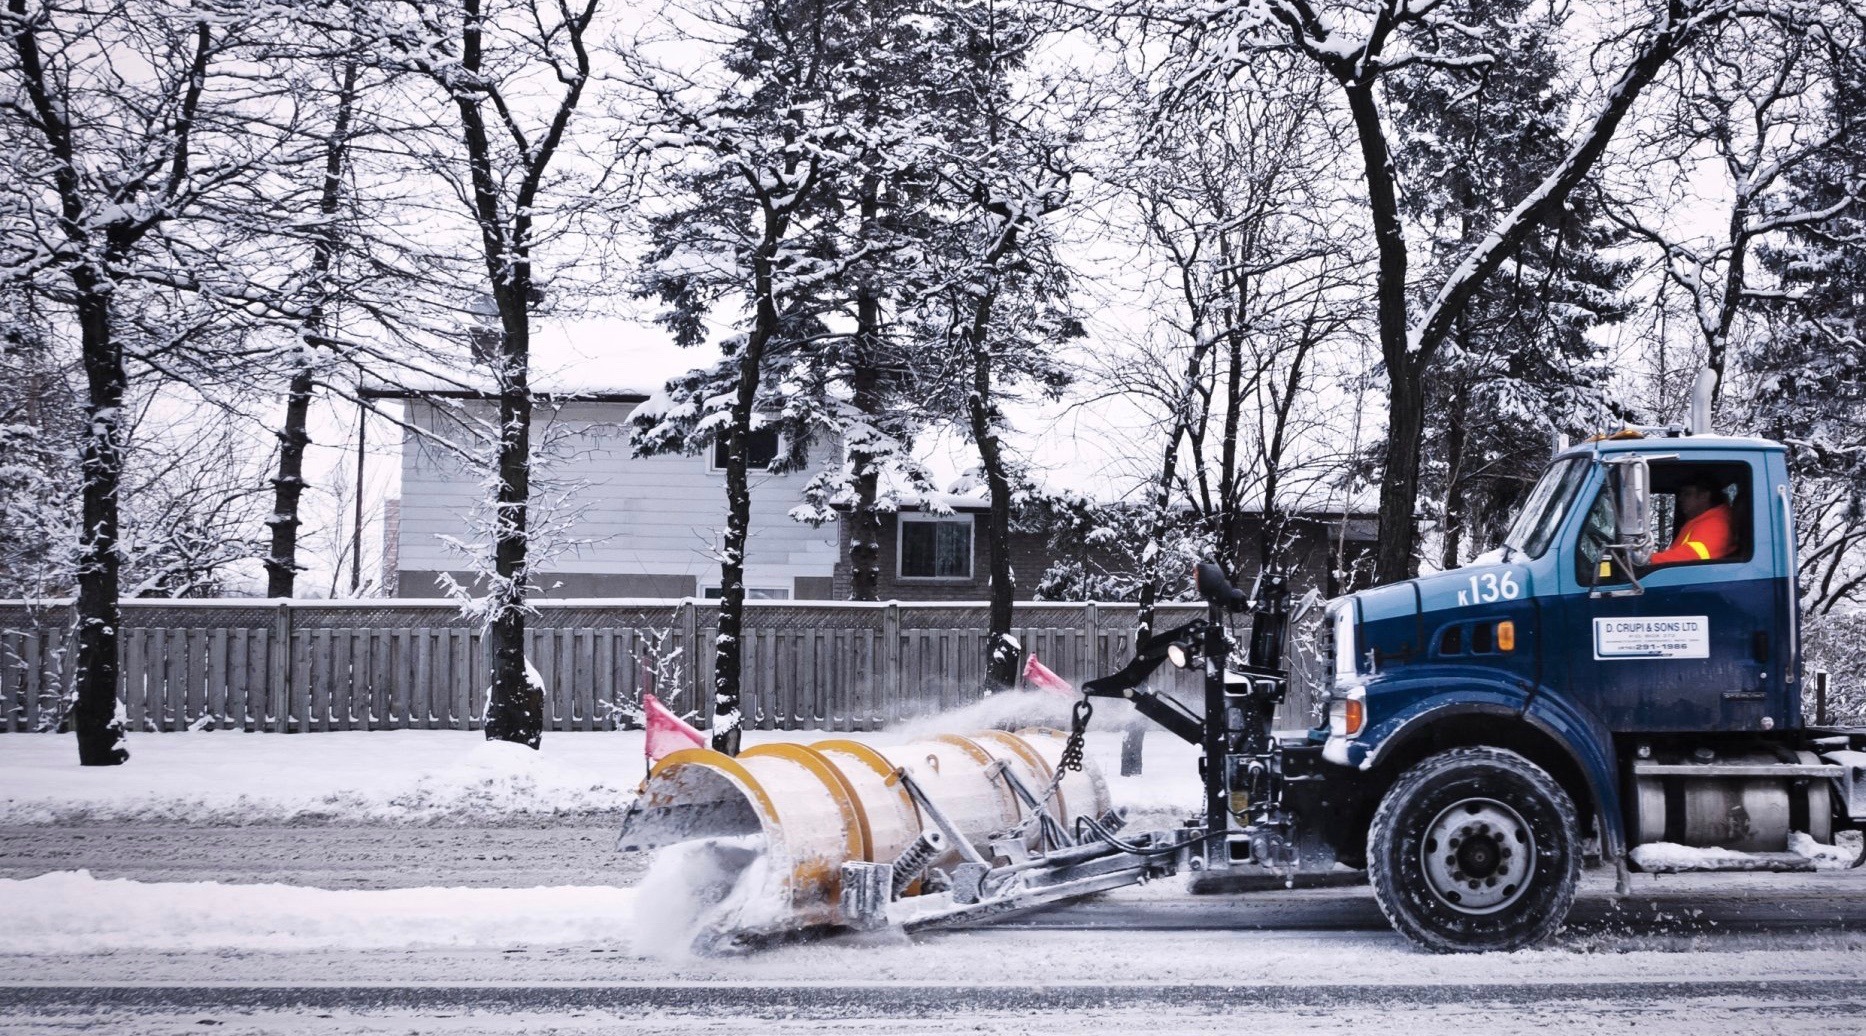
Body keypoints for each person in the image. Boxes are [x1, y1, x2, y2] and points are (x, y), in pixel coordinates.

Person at [1650, 473, 1737, 564]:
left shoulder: (1716, 524)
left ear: (1704, 496)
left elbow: (1694, 557)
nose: (1680, 498)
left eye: (1687, 494)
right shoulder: (1701, 521)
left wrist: (1648, 561)